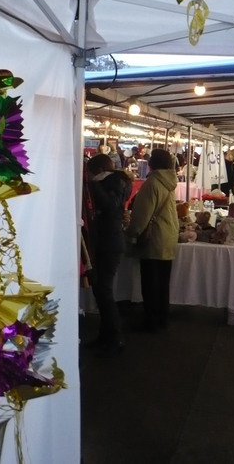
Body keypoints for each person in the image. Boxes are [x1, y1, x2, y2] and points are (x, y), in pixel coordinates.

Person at [83, 152, 133, 354]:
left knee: (104, 291)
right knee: (101, 290)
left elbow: (111, 208)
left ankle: (114, 337)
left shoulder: (113, 183)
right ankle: (106, 335)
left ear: (99, 171)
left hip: (108, 242)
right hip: (107, 240)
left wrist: (94, 184)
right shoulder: (117, 181)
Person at [126, 148, 179, 332]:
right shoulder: (170, 182)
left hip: (155, 237)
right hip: (168, 234)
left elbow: (142, 214)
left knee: (150, 283)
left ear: (152, 163)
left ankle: (151, 322)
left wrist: (131, 233)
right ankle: (162, 319)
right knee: (163, 284)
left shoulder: (152, 183)